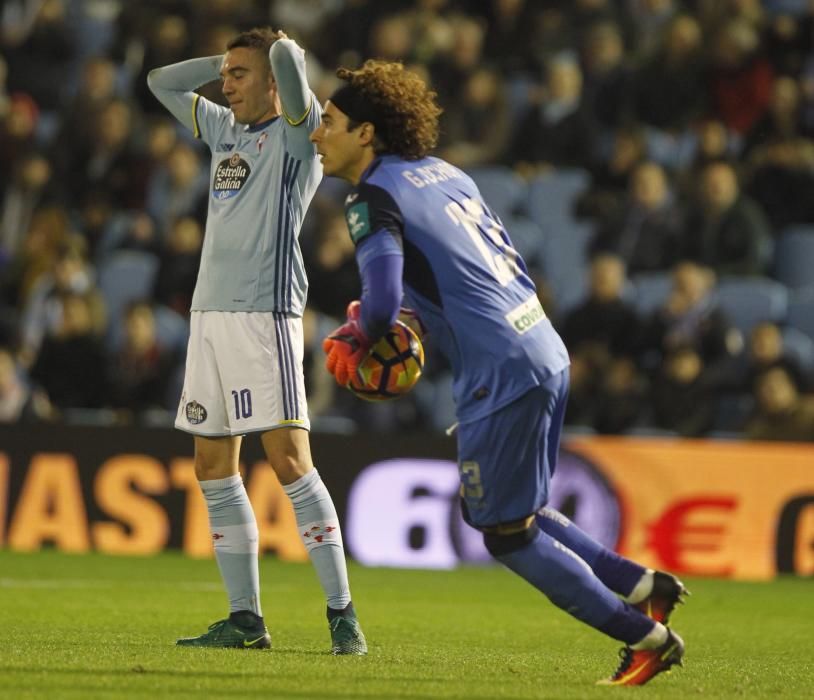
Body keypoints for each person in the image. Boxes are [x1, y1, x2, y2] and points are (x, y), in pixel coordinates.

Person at [310, 59, 687, 686]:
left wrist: (360, 335)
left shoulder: (371, 197)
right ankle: (643, 584)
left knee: (504, 535)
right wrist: (415, 320)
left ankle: (647, 638)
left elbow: (377, 304)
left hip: (502, 368)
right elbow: (470, 271)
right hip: (540, 345)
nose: (318, 133)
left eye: (330, 122)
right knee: (522, 510)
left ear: (367, 133)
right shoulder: (446, 174)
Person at [147, 27, 366, 655]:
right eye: (225, 75)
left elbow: (294, 69)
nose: (226, 85)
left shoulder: (300, 140)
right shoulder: (224, 131)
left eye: (239, 75)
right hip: (208, 317)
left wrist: (279, 54)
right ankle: (245, 620)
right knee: (213, 467)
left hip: (263, 316)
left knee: (291, 461)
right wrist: (222, 59)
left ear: (273, 82)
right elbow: (161, 82)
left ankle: (342, 613)